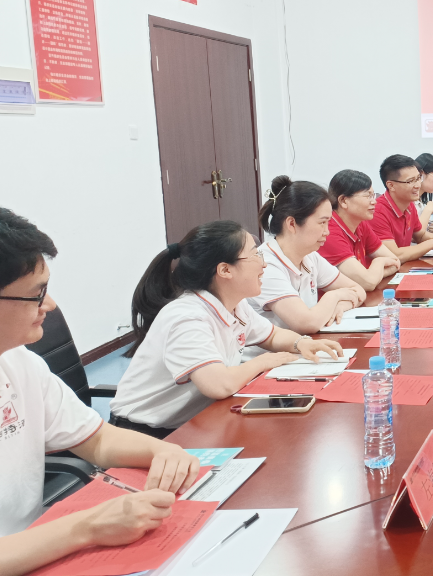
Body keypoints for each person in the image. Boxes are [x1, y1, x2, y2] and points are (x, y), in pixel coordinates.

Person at [0, 208, 201, 574]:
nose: (50, 305)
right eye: (37, 294)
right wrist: (87, 527)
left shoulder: (19, 362)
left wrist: (164, 451)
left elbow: (96, 440)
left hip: (39, 552)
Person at [109, 221, 344, 436]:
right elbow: (219, 384)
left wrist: (301, 344)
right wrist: (264, 361)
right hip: (142, 434)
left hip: (193, 423)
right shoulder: (187, 318)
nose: (263, 263)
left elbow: (271, 335)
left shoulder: (234, 304)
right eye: (255, 254)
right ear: (225, 270)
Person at [249, 176, 367, 334]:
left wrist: (341, 305)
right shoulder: (266, 266)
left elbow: (358, 290)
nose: (327, 231)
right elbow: (306, 323)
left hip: (304, 344)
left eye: (328, 222)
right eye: (322, 222)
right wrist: (334, 296)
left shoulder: (309, 257)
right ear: (292, 224)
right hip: (275, 349)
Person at [319, 169, 401, 291]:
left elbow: (395, 262)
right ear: (343, 201)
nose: (374, 201)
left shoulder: (361, 224)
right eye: (368, 196)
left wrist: (372, 275)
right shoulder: (329, 232)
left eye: (373, 195)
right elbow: (368, 283)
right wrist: (378, 262)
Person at [369, 154, 433, 263]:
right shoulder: (377, 212)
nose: (418, 185)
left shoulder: (409, 205)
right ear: (391, 185)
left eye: (418, 178)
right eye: (410, 181)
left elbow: (420, 236)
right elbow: (395, 255)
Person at [415, 153, 433, 234]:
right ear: (421, 174)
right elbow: (417, 234)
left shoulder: (421, 201)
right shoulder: (407, 201)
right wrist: (428, 210)